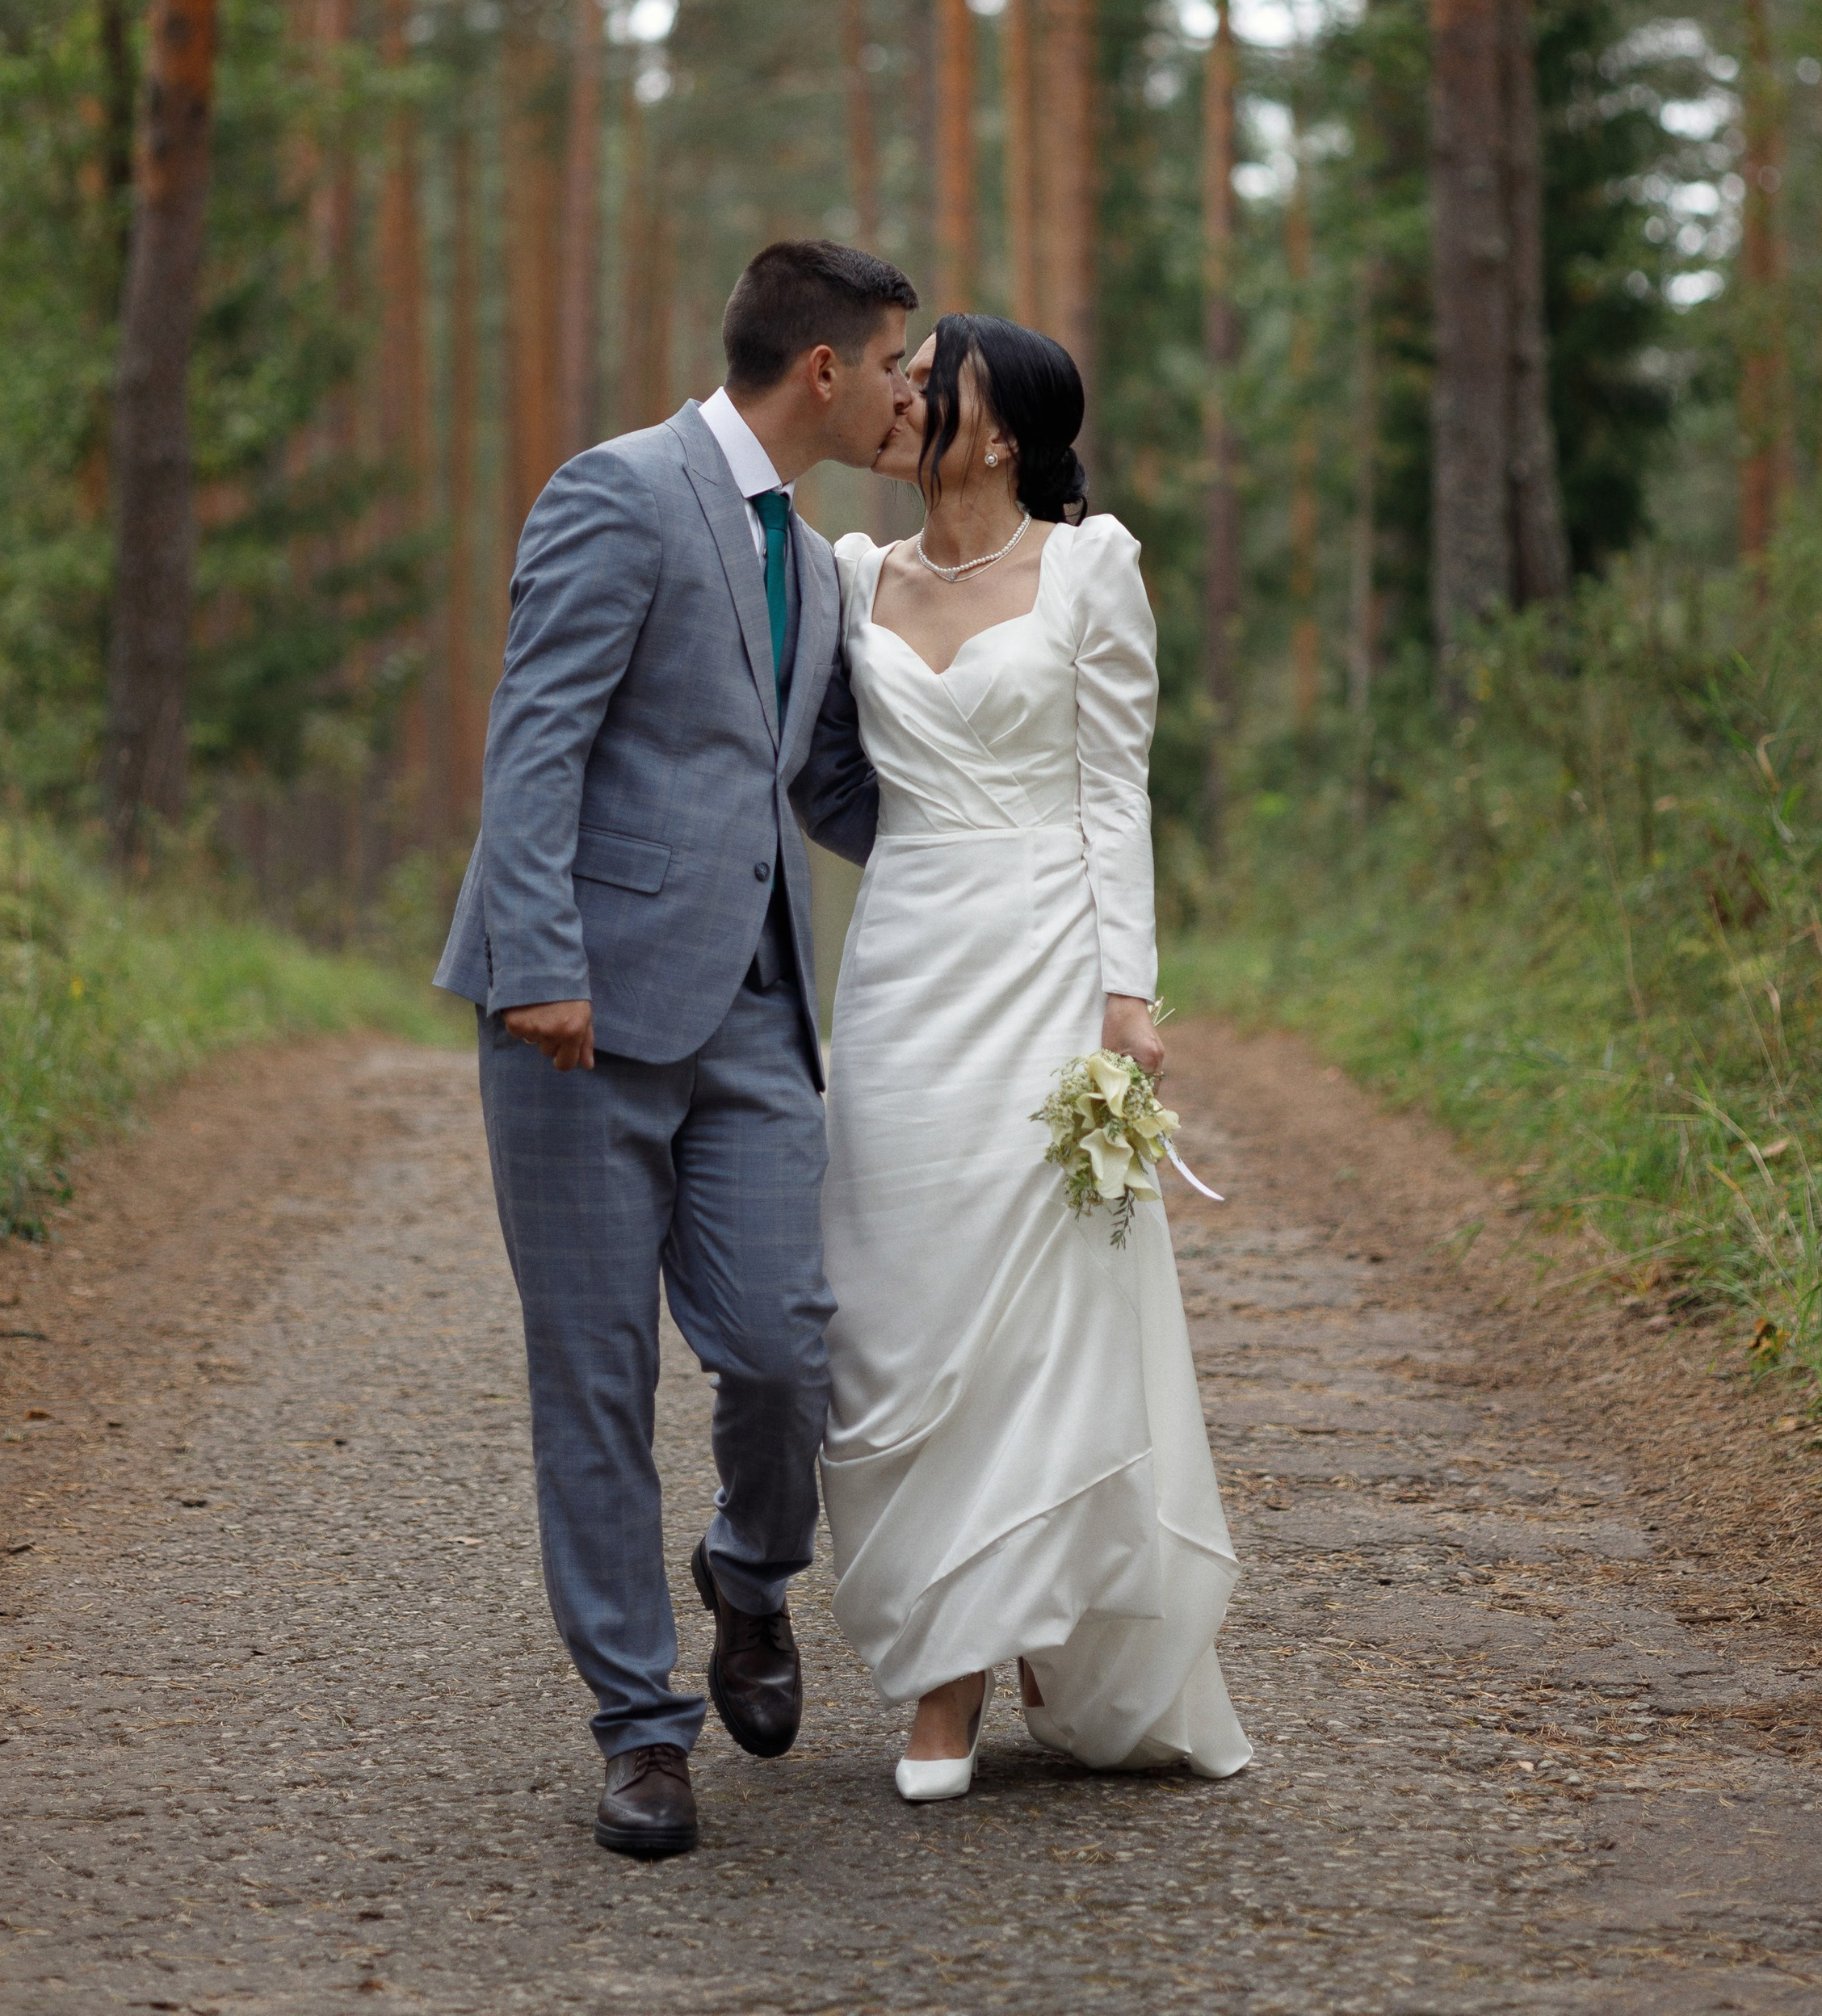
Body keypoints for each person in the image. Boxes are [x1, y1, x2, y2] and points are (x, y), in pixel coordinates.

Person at [433, 239, 917, 1859]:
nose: (912, 389)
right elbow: (539, 733)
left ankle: (745, 1571)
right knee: (594, 1380)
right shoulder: (616, 492)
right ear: (825, 370)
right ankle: (640, 1733)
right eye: (896, 362)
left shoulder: (817, 550)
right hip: (579, 1020)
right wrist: (537, 960)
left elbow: (822, 786)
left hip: (761, 1016)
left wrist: (1009, 838)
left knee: (786, 1345)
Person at [821, 312, 1253, 1800]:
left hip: (1042, 963)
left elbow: (1112, 787)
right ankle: (985, 1615)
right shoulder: (842, 577)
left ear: (1003, 434)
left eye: (936, 383)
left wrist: (1127, 996)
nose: (907, 395)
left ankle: (951, 1686)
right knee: (900, 1308)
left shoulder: (1090, 567)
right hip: (897, 972)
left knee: (1027, 1318)